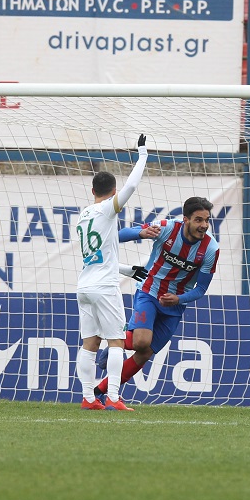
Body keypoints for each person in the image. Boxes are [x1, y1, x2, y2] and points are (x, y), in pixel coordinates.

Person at [92, 196, 220, 400]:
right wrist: (140, 232)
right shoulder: (166, 228)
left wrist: (179, 299)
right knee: (142, 341)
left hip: (175, 305)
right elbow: (119, 235)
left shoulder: (211, 249)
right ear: (185, 219)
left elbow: (201, 289)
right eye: (198, 220)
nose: (204, 225)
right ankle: (114, 343)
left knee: (144, 353)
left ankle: (99, 391)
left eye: (206, 220)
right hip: (149, 292)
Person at [75, 134, 151, 411]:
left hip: (85, 286)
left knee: (90, 343)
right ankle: (115, 398)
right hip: (105, 287)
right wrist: (142, 155)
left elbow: (96, 259)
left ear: (92, 190)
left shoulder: (84, 215)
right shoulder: (108, 209)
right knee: (116, 341)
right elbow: (132, 186)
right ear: (111, 190)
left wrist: (128, 271)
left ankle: (88, 398)